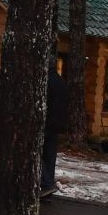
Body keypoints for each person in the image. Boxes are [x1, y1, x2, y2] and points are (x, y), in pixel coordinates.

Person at [42, 64, 68, 194]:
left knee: (37, 153)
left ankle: (46, 183)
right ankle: (48, 183)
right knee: (49, 155)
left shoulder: (45, 81)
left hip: (46, 122)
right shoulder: (60, 81)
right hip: (56, 124)